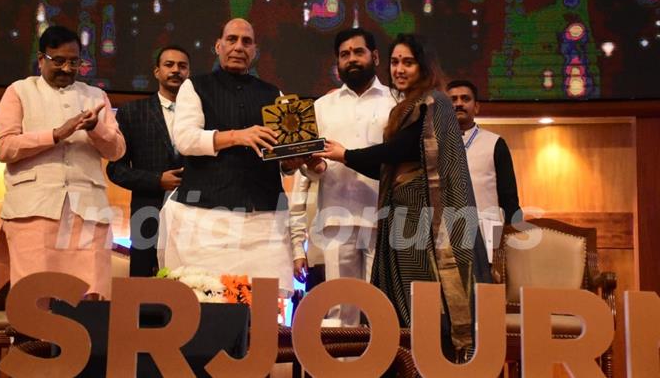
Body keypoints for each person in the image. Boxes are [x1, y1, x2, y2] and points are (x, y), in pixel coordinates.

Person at [318, 33, 491, 360]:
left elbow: (402, 149)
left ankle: (430, 363)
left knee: (420, 300)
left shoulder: (434, 102)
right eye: (396, 62)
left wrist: (346, 155)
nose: (399, 69)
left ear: (422, 65)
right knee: (396, 303)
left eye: (407, 62)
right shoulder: (404, 108)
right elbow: (389, 167)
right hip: (401, 215)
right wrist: (340, 159)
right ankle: (402, 363)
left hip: (423, 220)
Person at [157, 18, 296, 294]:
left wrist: (296, 161)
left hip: (264, 220)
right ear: (218, 46)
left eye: (246, 41)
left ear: (255, 50)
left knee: (263, 314)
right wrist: (237, 136)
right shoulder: (195, 86)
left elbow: (283, 159)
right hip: (205, 219)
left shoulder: (274, 94)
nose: (238, 47)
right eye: (231, 40)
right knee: (204, 305)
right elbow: (185, 139)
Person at [0, 25, 125, 300]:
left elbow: (117, 151)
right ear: (41, 59)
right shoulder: (19, 91)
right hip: (33, 212)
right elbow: (4, 147)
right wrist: (55, 134)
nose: (66, 68)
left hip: (88, 212)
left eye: (74, 62)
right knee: (35, 297)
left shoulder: (95, 96)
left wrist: (94, 128)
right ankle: (33, 345)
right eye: (59, 61)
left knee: (91, 297)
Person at [295, 28, 396, 326]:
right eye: (344, 54)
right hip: (337, 217)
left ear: (375, 56)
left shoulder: (395, 101)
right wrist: (312, 166)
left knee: (382, 310)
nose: (351, 59)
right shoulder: (321, 107)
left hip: (385, 217)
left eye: (358, 52)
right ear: (337, 62)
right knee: (341, 311)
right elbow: (307, 167)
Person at [106, 46, 190, 276]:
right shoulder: (132, 113)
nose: (176, 71)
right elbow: (116, 170)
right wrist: (157, 180)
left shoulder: (202, 114)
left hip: (193, 217)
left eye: (182, 66)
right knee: (141, 294)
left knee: (194, 291)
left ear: (189, 73)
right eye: (169, 65)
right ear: (156, 72)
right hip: (147, 216)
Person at [447, 79, 522, 263]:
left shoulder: (495, 143)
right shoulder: (434, 145)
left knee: (485, 291)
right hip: (446, 237)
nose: (458, 104)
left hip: (487, 238)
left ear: (477, 107)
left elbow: (509, 198)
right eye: (453, 99)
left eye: (465, 99)